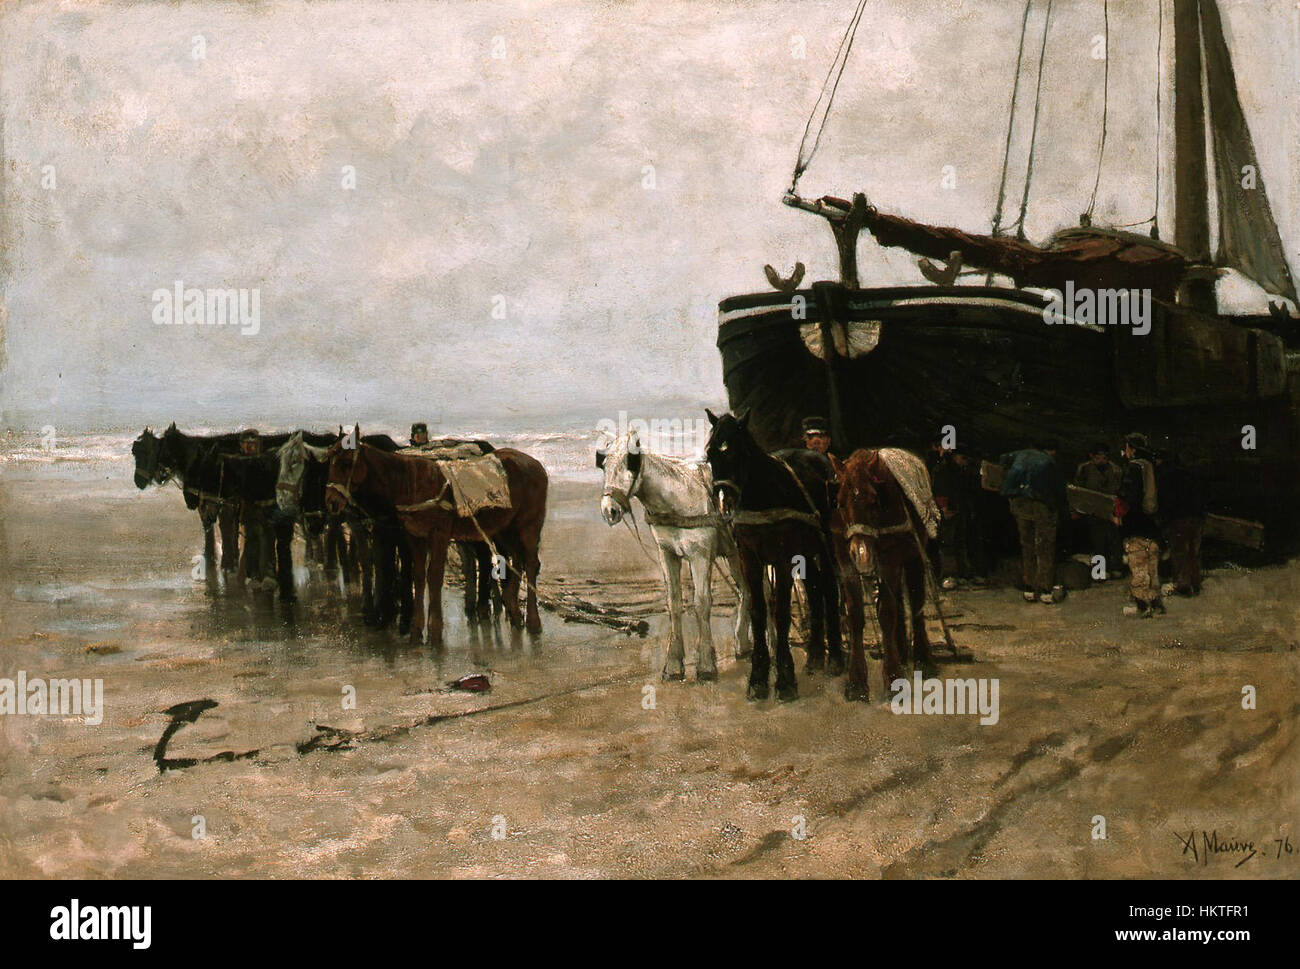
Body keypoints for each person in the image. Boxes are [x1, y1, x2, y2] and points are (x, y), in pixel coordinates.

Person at [1000, 440, 1068, 604]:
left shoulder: (1018, 455)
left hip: (1020, 506)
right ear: (1049, 450)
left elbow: (1003, 466)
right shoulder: (1048, 461)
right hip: (1042, 507)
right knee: (1044, 547)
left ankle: (1029, 588)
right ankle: (1045, 590)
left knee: (1027, 546)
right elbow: (1059, 490)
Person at [1114, 432, 1165, 617]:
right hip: (1153, 524)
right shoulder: (1153, 466)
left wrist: (1120, 515)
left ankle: (1142, 605)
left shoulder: (1133, 467)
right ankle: (1156, 602)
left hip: (1136, 522)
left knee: (1138, 564)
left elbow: (1127, 496)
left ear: (1131, 448)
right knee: (1152, 565)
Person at [931, 445, 987, 588]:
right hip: (949, 510)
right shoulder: (943, 469)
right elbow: (939, 488)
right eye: (963, 458)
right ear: (955, 456)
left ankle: (964, 573)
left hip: (961, 509)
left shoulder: (962, 470)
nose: (965, 461)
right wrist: (943, 508)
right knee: (947, 542)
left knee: (961, 541)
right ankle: (949, 575)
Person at [1155, 447, 1206, 597]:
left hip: (1178, 519)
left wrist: (1163, 519)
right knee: (1193, 552)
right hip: (1196, 518)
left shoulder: (1166, 476)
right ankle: (1195, 583)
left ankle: (1183, 585)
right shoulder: (1193, 474)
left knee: (1179, 552)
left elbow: (1165, 500)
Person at [1074, 442, 1124, 578]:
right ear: (1092, 456)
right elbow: (1079, 490)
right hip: (1093, 511)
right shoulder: (1084, 469)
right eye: (1097, 457)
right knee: (1097, 542)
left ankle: (1116, 569)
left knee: (1114, 540)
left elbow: (1120, 491)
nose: (1101, 460)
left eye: (1103, 457)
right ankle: (1100, 572)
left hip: (1111, 510)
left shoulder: (1116, 470)